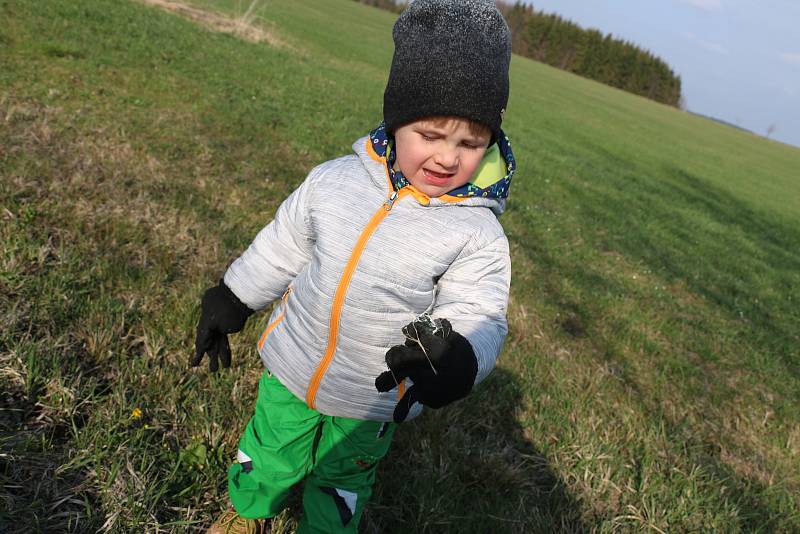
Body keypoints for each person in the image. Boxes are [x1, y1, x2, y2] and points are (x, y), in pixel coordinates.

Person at [192, 1, 516, 532]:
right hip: (293, 367)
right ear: (395, 120)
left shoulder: (476, 232)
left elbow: (479, 311)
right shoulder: (335, 181)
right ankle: (247, 513)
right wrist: (233, 296)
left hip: (374, 397)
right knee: (269, 450)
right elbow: (283, 247)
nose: (447, 158)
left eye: (470, 143)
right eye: (430, 136)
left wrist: (458, 360)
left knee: (342, 480)